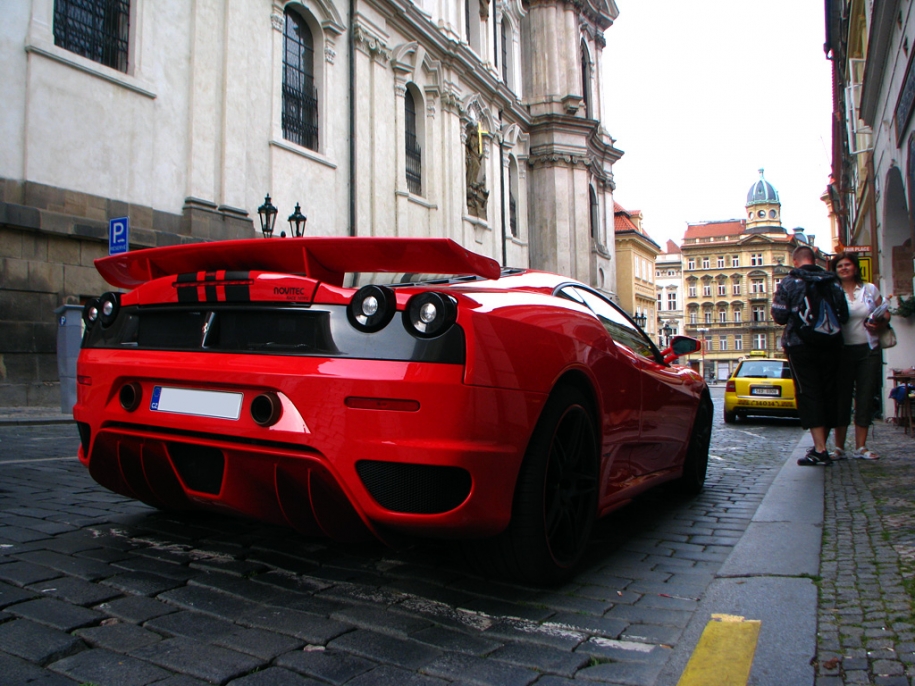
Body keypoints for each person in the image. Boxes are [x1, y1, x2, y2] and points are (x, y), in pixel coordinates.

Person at [772, 244, 849, 466]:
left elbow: (779, 315)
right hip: (832, 344)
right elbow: (843, 314)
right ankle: (824, 444)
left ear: (795, 261)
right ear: (814, 260)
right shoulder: (833, 282)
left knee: (809, 393)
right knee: (828, 392)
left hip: (800, 345)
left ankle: (820, 449)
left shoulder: (789, 282)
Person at [829, 252, 891, 460]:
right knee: (841, 398)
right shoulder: (832, 291)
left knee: (865, 396)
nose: (844, 268)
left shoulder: (869, 289)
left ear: (855, 268)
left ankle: (861, 446)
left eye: (847, 265)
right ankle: (839, 447)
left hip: (867, 348)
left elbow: (885, 313)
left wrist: (879, 323)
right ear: (835, 270)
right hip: (841, 350)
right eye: (839, 266)